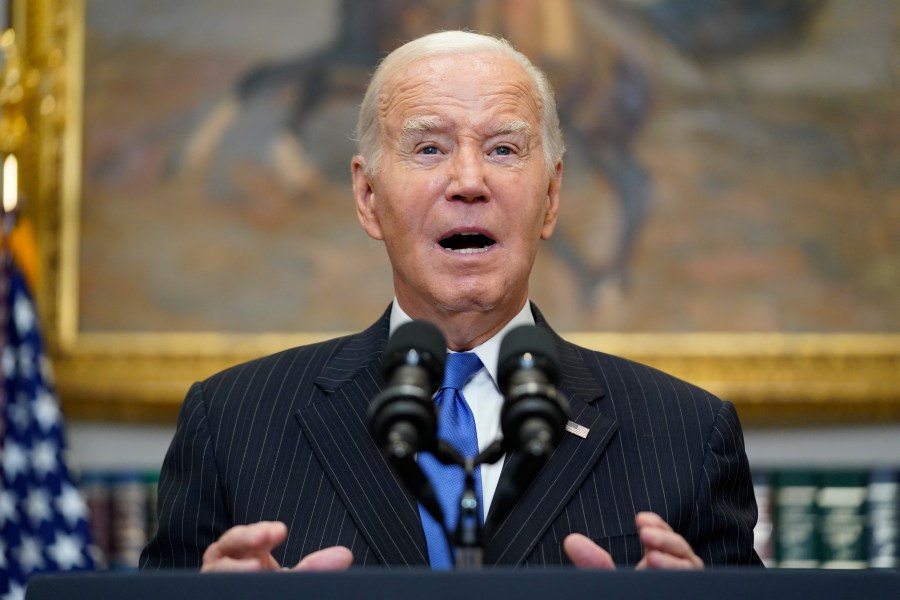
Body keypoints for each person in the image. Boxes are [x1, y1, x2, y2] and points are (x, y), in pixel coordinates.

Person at [140, 30, 761, 573]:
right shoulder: (230, 424)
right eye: (430, 148)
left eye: (503, 149)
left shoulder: (686, 434)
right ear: (366, 196)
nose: (468, 182)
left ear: (550, 198)